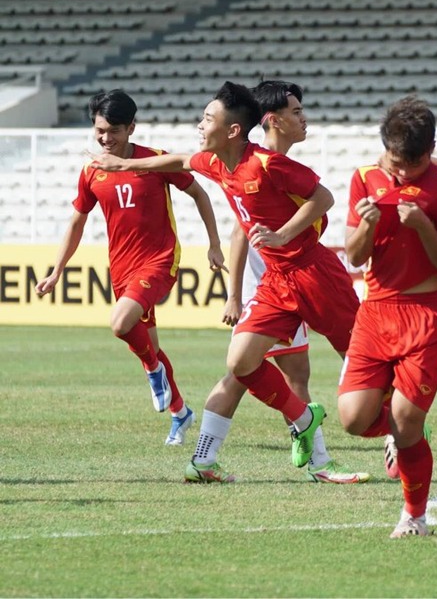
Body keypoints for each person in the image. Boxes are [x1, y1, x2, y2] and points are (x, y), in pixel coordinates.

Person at [90, 81, 359, 472]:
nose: (200, 125)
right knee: (243, 365)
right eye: (202, 117)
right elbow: (181, 163)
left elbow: (323, 199)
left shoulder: (267, 163)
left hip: (315, 274)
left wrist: (282, 234)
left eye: (207, 118)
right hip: (274, 282)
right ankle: (303, 437)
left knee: (353, 360)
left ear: (234, 129)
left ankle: (396, 435)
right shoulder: (218, 162)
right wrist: (125, 165)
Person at [185, 80, 368, 484]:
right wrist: (236, 293)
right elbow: (239, 231)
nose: (304, 119)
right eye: (297, 112)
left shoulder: (272, 165)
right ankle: (316, 460)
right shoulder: (258, 163)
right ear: (274, 121)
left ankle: (207, 457)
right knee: (255, 372)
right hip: (271, 281)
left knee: (277, 372)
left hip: (289, 279)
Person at [35, 89, 224, 445]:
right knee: (149, 342)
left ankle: (153, 372)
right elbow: (76, 222)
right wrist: (57, 270)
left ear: (132, 128)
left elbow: (199, 193)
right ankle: (180, 412)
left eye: (114, 130)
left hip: (159, 261)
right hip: (120, 269)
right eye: (100, 130)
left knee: (121, 324)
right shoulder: (92, 172)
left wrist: (214, 244)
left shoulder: (155, 160)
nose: (106, 138)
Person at [338, 95, 437, 538]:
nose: (400, 172)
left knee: (407, 421)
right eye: (395, 161)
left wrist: (424, 227)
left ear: (430, 152)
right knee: (354, 420)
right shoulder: (363, 179)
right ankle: (399, 427)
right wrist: (369, 226)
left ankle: (414, 517)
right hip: (376, 311)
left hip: (427, 313)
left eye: (411, 165)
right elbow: (355, 258)